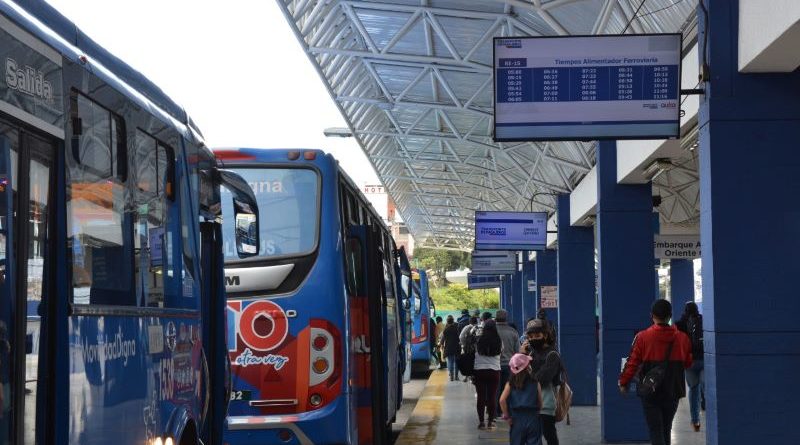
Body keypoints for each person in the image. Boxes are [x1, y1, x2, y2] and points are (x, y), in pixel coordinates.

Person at [619, 299, 692, 445]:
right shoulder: (682, 338)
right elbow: (688, 363)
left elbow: (632, 363)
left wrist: (623, 382)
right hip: (673, 390)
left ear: (651, 315)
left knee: (655, 430)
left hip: (650, 390)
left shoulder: (643, 337)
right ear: (670, 315)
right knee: (666, 428)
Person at [521, 319, 562, 445]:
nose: (533, 339)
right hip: (531, 402)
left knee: (549, 435)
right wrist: (522, 355)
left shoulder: (552, 354)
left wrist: (528, 372)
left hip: (546, 404)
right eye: (530, 337)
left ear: (545, 335)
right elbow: (517, 376)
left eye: (537, 335)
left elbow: (542, 379)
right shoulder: (531, 352)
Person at [499, 353, 543, 445]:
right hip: (533, 418)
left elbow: (502, 400)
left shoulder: (510, 384)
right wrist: (537, 412)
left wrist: (507, 416)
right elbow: (540, 402)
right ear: (527, 367)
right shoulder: (535, 382)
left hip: (516, 419)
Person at [675, 302, 704, 432]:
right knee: (705, 386)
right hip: (703, 360)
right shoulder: (703, 321)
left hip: (689, 362)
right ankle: (705, 405)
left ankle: (695, 421)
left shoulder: (679, 324)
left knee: (693, 389)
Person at [474, 319, 502, 430]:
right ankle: (490, 422)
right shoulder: (499, 341)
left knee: (480, 397)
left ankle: (481, 422)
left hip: (479, 371)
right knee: (492, 397)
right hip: (494, 371)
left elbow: (474, 352)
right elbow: (501, 352)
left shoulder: (479, 340)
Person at [496, 309, 520, 406]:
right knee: (508, 389)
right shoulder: (513, 332)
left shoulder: (491, 331)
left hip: (494, 365)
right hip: (509, 365)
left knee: (496, 390)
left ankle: (496, 410)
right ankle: (507, 410)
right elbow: (517, 351)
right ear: (506, 318)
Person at [441, 315, 462, 381]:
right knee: (456, 362)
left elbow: (442, 339)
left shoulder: (445, 330)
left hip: (448, 348)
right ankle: (456, 377)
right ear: (453, 321)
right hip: (457, 347)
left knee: (450, 362)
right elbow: (460, 337)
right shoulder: (457, 328)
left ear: (447, 322)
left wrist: (441, 345)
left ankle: (451, 377)